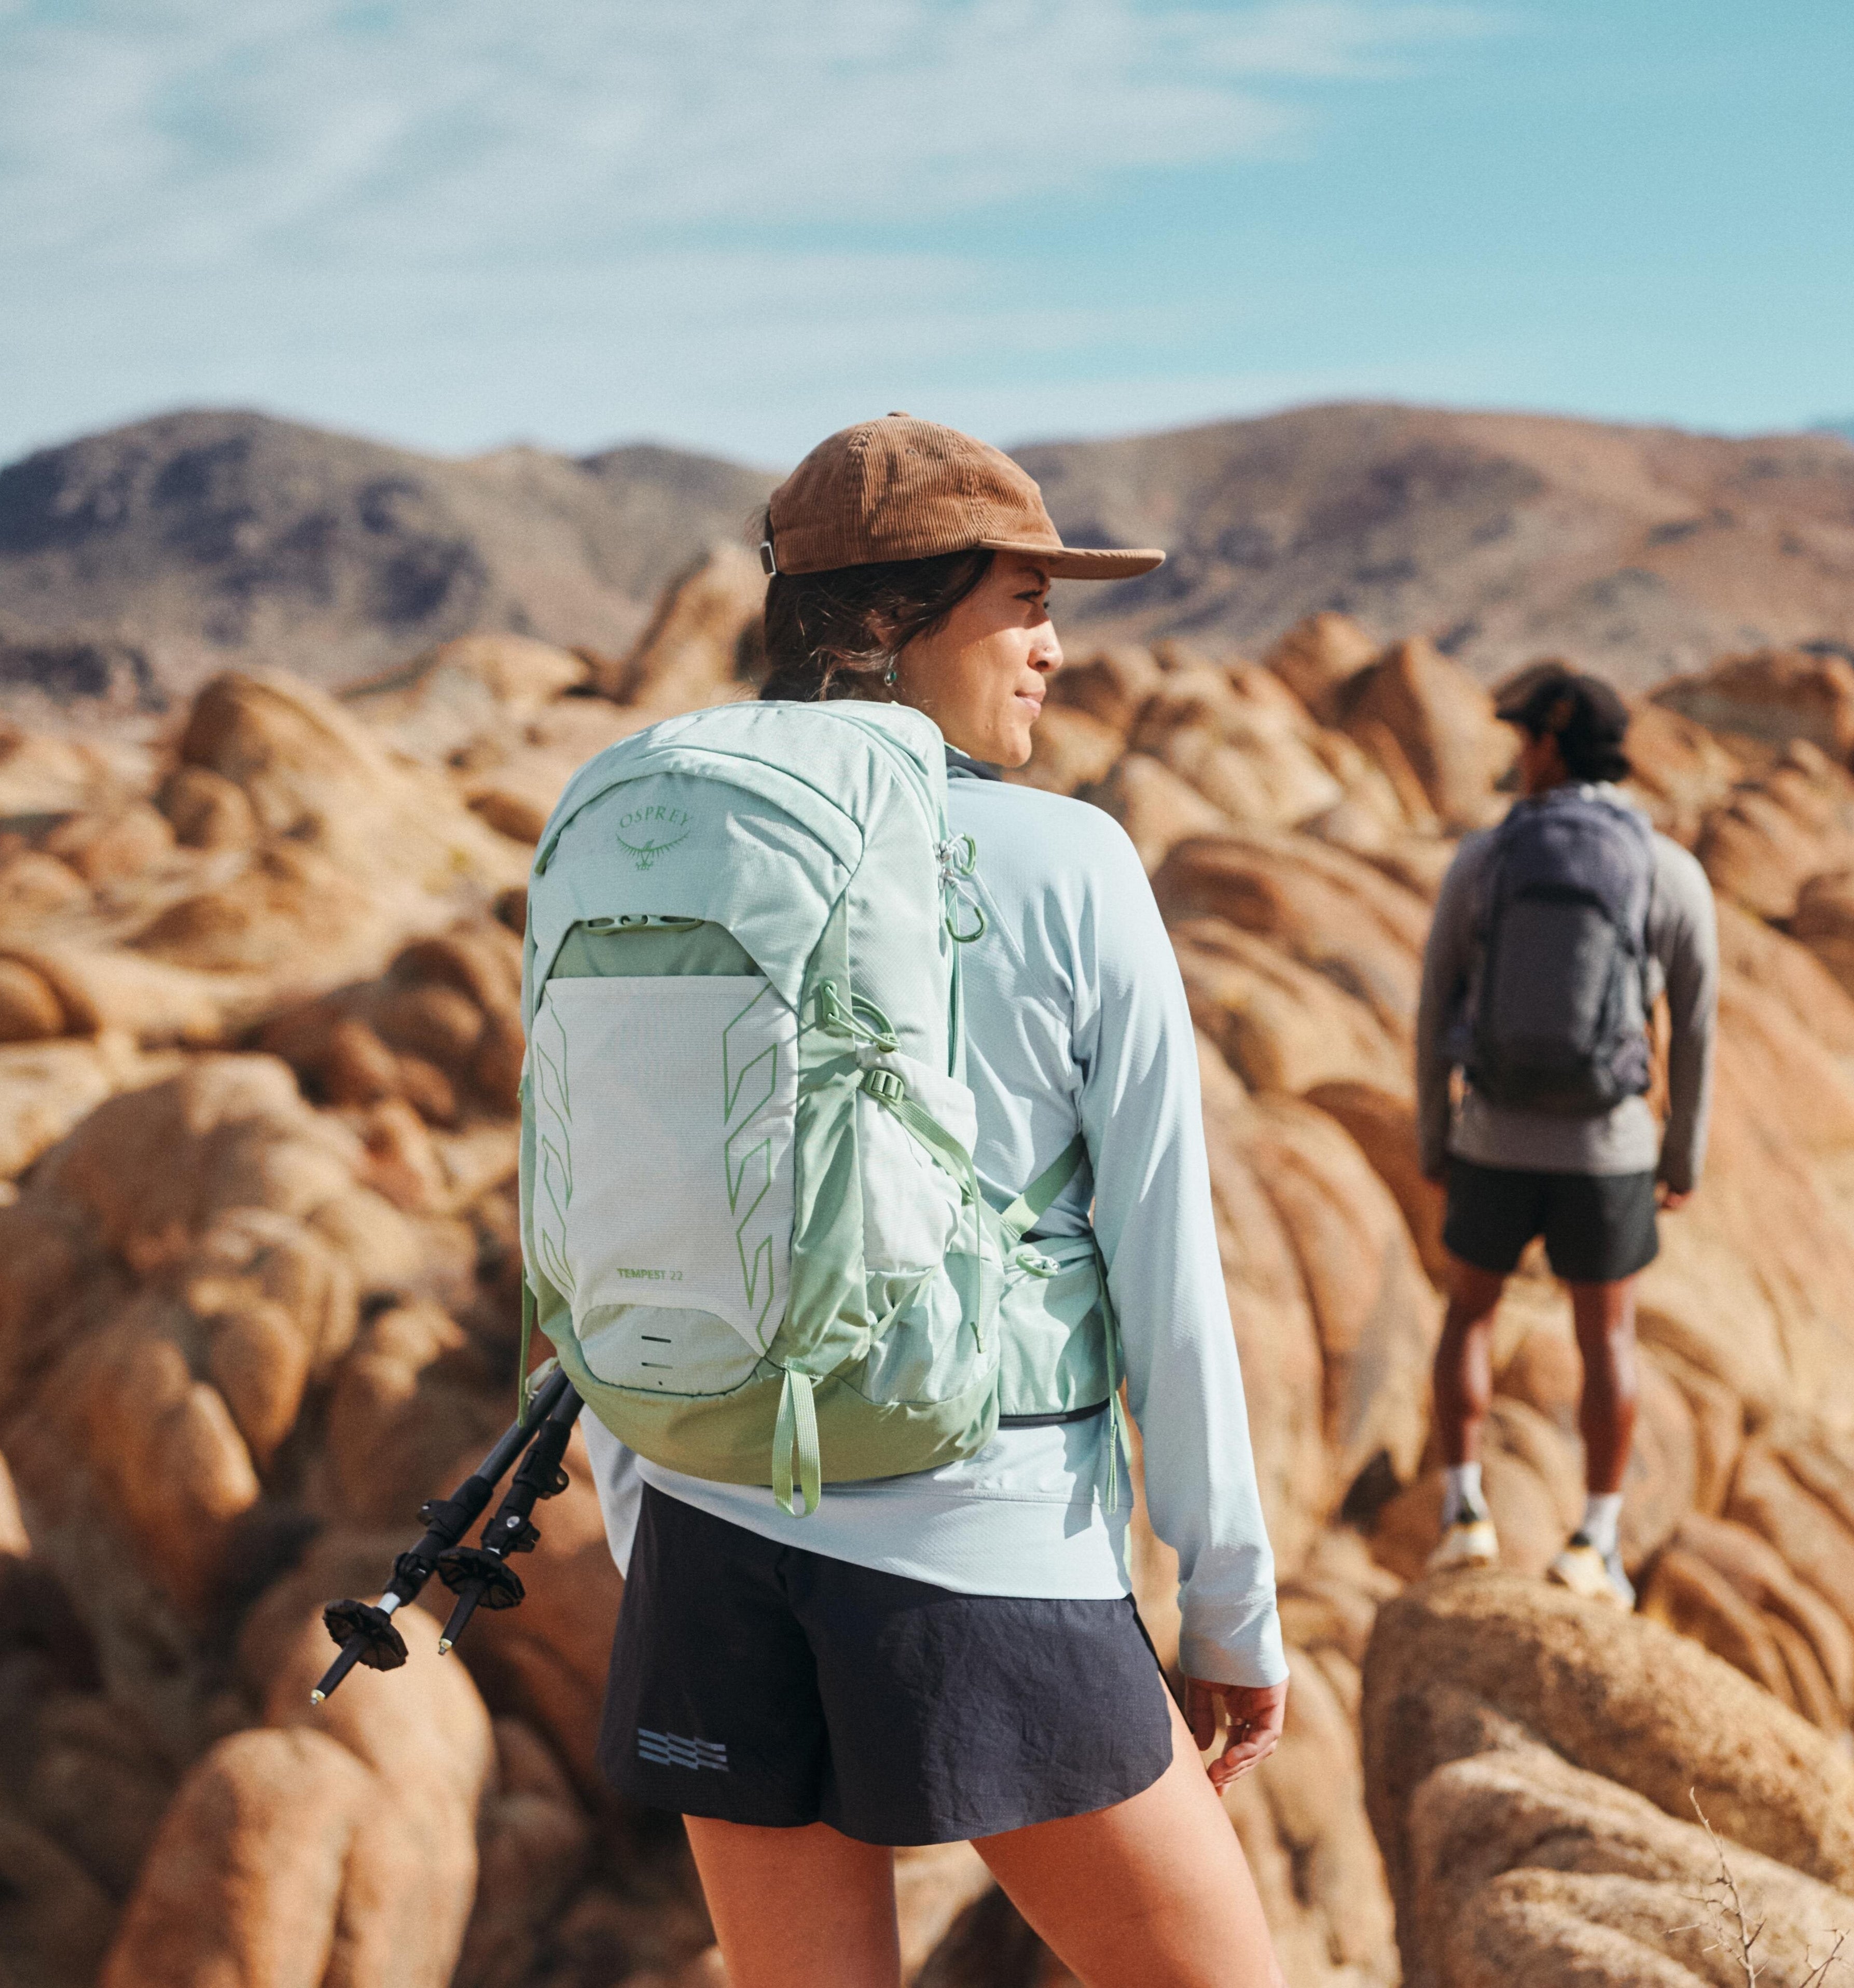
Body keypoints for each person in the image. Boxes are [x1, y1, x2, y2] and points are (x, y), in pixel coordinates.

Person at [579, 415, 1289, 1988]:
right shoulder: (1071, 862)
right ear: (892, 622)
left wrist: (675, 1521)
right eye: (1022, 601)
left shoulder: (648, 828)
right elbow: (1167, 1258)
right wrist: (1230, 1609)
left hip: (705, 1539)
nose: (1052, 648)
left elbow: (588, 1211)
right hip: (991, 1551)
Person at [1414, 666, 1718, 1608]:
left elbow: (1436, 1008)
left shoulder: (1487, 858)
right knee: (1607, 1336)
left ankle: (1465, 1517)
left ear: (1548, 746)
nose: (1517, 759)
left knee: (1470, 1314)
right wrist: (1681, 1154)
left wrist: (1437, 1135)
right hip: (1608, 1150)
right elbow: (1699, 1022)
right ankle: (1594, 1541)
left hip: (1496, 1140)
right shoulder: (1666, 867)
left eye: (1523, 742)